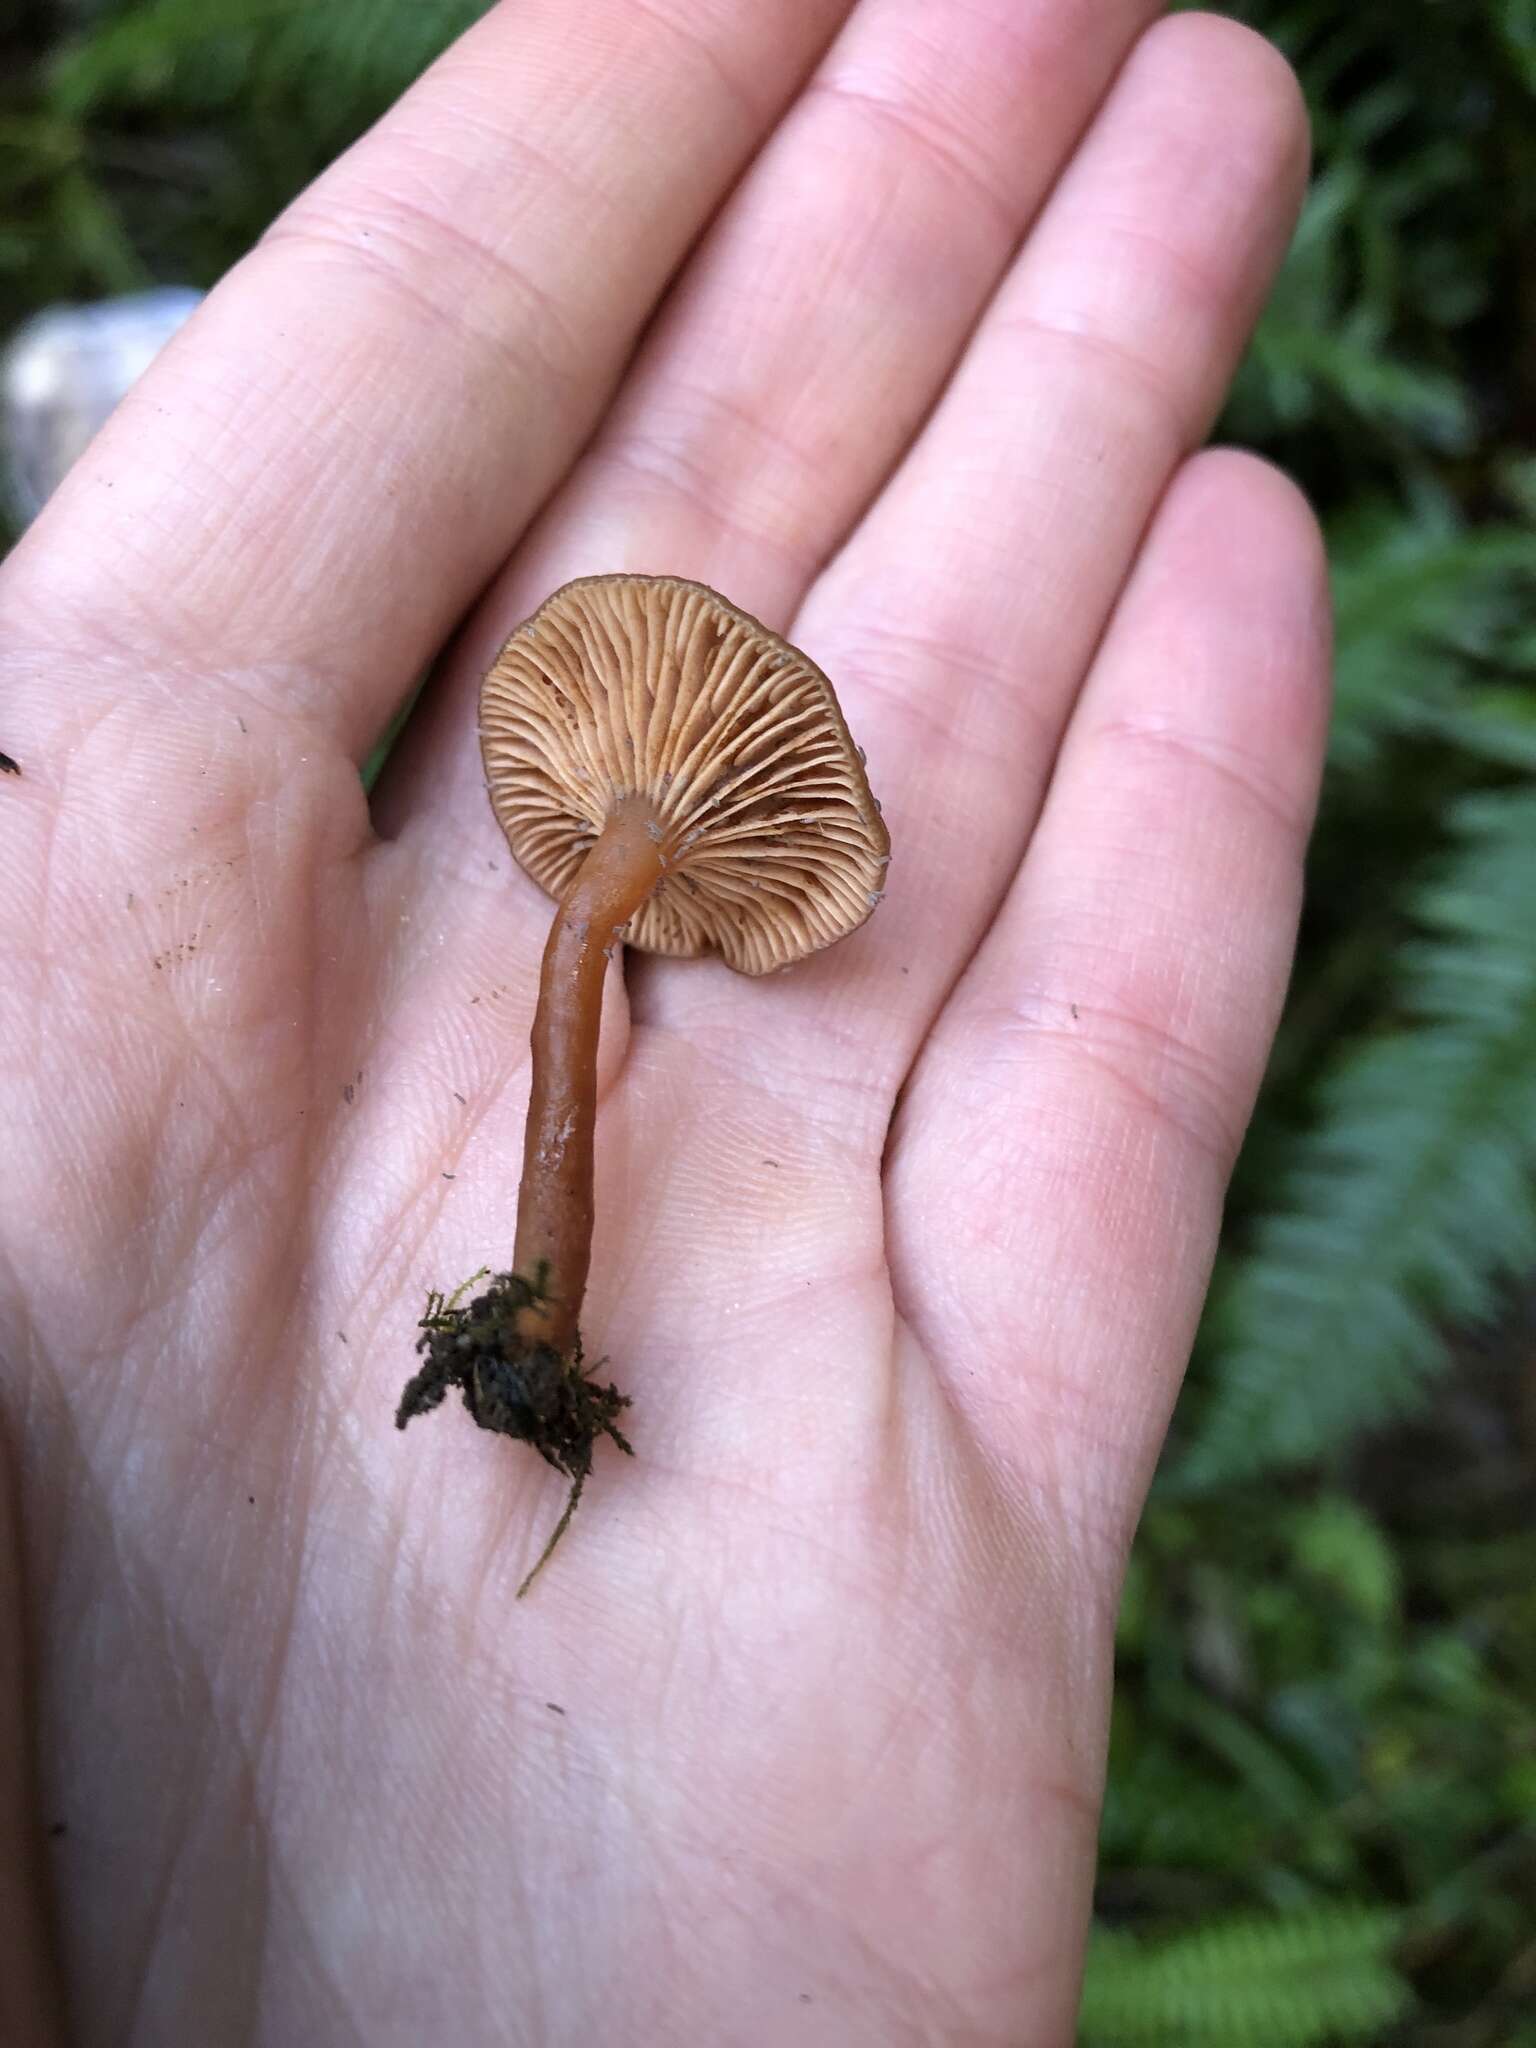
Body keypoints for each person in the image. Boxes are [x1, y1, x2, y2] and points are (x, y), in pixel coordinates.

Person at [0, 2, 1328, 2041]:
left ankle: (532, 1328)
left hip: (678, 805)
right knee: (579, 936)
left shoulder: (686, 832)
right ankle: (527, 1328)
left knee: (597, 930)